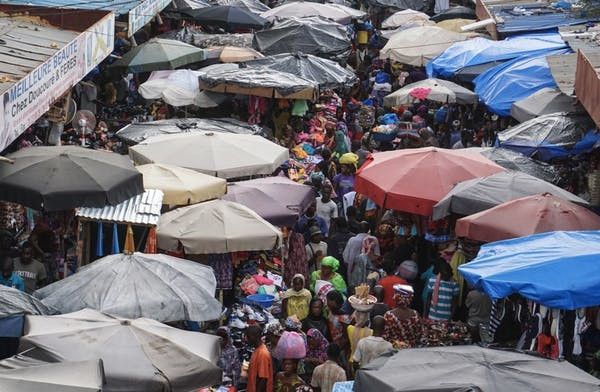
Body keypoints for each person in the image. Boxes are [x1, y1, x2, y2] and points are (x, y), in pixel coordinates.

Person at [246, 324, 274, 392]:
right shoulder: (257, 350)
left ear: (254, 336)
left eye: (248, 336)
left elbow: (263, 379)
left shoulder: (262, 354)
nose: (246, 339)